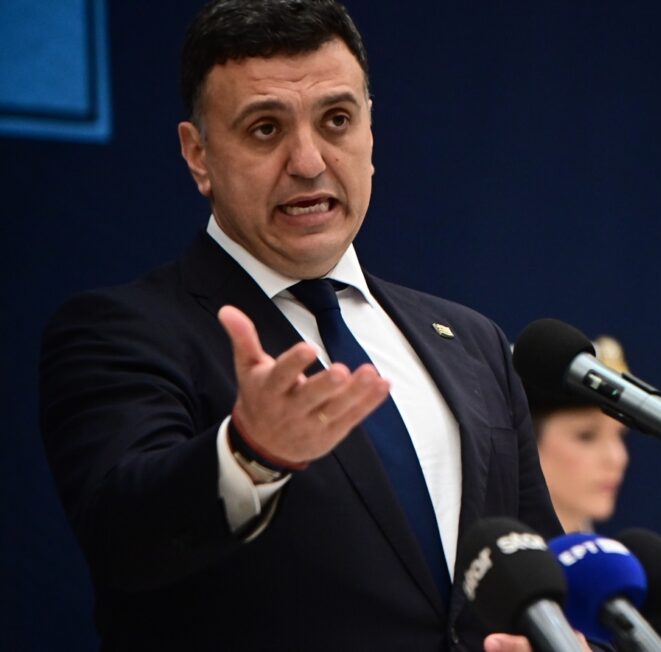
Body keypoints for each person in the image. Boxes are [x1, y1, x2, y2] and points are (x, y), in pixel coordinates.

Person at [38, 1, 563, 650]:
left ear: (371, 131)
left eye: (337, 120)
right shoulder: (123, 332)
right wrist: (251, 454)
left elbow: (540, 569)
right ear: (198, 155)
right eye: (265, 129)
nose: (309, 161)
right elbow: (123, 538)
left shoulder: (472, 341)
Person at [522, 336, 630, 533]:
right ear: (524, 443)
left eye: (621, 435)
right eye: (586, 436)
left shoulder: (614, 553)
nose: (617, 458)